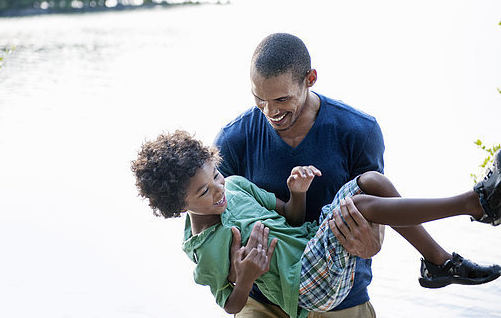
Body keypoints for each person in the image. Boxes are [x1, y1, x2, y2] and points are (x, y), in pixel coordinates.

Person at [131, 131, 501, 318]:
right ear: (178, 205)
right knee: (359, 206)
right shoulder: (206, 247)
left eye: (215, 177)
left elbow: (290, 216)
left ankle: (438, 263)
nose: (217, 192)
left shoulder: (237, 186)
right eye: (202, 193)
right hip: (305, 287)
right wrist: (246, 277)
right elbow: (230, 304)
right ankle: (475, 203)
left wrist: (298, 193)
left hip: (312, 245)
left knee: (372, 181)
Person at [214, 33, 385, 317]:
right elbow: (208, 215)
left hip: (340, 297)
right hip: (264, 300)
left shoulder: (358, 131)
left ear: (311, 79)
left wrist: (374, 242)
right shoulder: (234, 139)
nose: (270, 111)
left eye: (282, 99)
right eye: (260, 99)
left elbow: (377, 210)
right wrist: (233, 262)